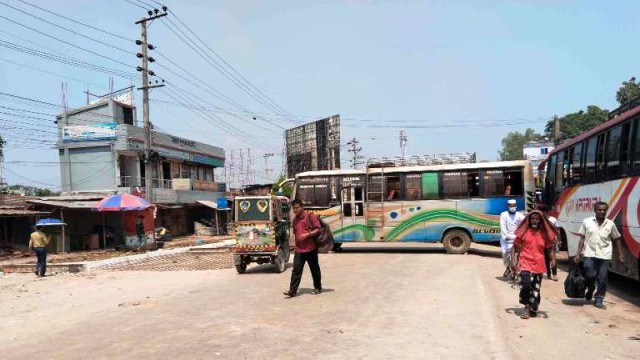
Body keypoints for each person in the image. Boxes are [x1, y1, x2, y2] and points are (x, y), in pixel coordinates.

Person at [573, 202, 625, 309]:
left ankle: (599, 299)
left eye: (604, 210)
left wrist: (621, 254)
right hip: (589, 254)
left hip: (604, 255)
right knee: (590, 275)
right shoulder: (586, 222)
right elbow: (582, 238)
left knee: (602, 278)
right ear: (595, 210)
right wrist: (577, 254)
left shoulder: (610, 224)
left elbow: (617, 239)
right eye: (599, 210)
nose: (602, 212)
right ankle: (591, 288)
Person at [511, 210, 557, 319]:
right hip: (525, 262)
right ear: (529, 220)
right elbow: (515, 247)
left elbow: (550, 249)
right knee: (525, 285)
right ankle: (526, 307)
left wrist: (553, 260)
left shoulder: (544, 233)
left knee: (536, 288)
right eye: (532, 218)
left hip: (538, 264)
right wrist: (513, 261)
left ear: (540, 220)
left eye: (537, 219)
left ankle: (534, 306)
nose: (534, 220)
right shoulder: (524, 232)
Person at [283, 199, 322, 297]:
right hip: (299, 250)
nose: (295, 210)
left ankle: (317, 287)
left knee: (314, 269)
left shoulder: (310, 216)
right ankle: (292, 291)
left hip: (311, 249)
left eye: (296, 208)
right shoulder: (295, 220)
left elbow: (318, 229)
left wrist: (307, 235)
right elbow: (296, 234)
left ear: (302, 207)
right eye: (293, 208)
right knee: (296, 270)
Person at [500, 199, 525, 279]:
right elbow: (503, 226)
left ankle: (515, 271)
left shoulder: (520, 215)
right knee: (505, 255)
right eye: (511, 206)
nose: (513, 207)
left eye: (514, 206)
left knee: (517, 257)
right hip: (506, 239)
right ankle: (508, 268)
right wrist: (507, 236)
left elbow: (525, 223)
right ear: (508, 206)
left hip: (517, 238)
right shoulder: (504, 214)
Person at [538, 204, 560, 281]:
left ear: (545, 212)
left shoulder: (553, 220)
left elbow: (557, 230)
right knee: (545, 258)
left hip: (551, 241)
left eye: (540, 211)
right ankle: (548, 273)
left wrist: (559, 240)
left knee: (552, 257)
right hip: (542, 241)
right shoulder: (539, 220)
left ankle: (554, 274)